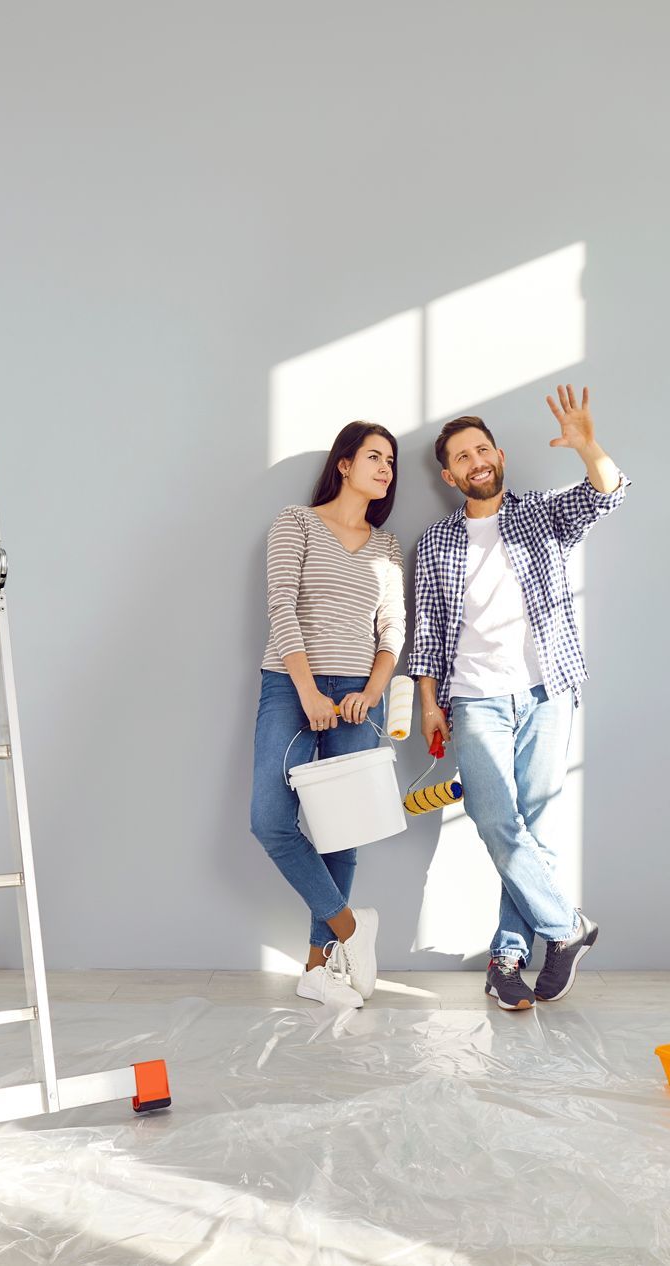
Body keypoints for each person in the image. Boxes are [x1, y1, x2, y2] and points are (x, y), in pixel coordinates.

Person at [409, 385, 628, 1010]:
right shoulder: (435, 543)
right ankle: (566, 928)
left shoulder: (538, 512)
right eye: (462, 456)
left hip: (547, 691)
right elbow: (426, 631)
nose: (476, 460)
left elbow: (604, 496)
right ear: (451, 475)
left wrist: (589, 447)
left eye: (483, 448)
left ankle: (507, 959)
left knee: (537, 828)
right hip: (475, 698)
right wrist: (429, 703)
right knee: (495, 819)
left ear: (499, 456)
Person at [252, 421, 405, 1009]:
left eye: (391, 460)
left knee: (343, 831)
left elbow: (391, 627)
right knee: (270, 820)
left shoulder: (387, 546)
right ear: (344, 463)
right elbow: (280, 606)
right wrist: (309, 689)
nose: (386, 468)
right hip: (290, 686)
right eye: (374, 456)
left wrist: (371, 691)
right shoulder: (297, 522)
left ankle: (321, 968)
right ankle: (350, 927)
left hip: (359, 695)